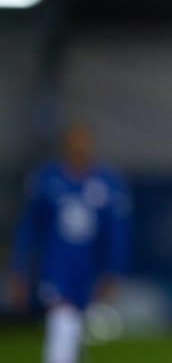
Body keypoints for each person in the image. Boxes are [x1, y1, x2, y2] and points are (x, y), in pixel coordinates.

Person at [8, 122, 131, 363]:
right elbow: (29, 229)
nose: (79, 147)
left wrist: (113, 271)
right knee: (61, 318)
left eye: (83, 141)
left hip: (89, 268)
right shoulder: (46, 180)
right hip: (56, 266)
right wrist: (19, 270)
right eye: (74, 141)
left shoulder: (107, 183)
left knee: (75, 326)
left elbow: (117, 233)